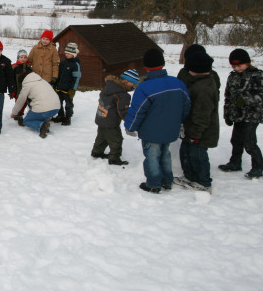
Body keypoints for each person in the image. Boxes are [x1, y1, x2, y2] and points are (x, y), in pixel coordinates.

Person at [124, 48, 191, 194]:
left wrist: (130, 126)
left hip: (151, 132)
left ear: (146, 67)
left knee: (152, 157)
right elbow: (186, 105)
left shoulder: (144, 88)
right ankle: (167, 181)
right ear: (163, 63)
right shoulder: (177, 83)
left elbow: (137, 110)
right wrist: (180, 122)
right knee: (165, 155)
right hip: (170, 129)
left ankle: (153, 183)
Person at [219, 48, 263, 179]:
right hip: (237, 114)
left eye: (239, 65)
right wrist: (227, 114)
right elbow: (228, 96)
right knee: (236, 140)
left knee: (249, 142)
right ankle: (235, 163)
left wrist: (246, 100)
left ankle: (259, 167)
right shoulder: (233, 76)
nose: (237, 68)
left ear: (247, 63)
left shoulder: (258, 75)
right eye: (234, 66)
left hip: (253, 115)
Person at [174, 50, 219, 193]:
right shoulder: (197, 82)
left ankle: (204, 182)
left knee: (198, 156)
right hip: (190, 128)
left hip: (200, 132)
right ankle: (189, 176)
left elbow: (202, 115)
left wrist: (196, 134)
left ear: (196, 70)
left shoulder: (205, 88)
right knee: (186, 152)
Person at [91, 69, 139, 166]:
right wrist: (129, 122)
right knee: (117, 139)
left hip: (101, 117)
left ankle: (97, 152)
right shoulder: (123, 95)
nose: (133, 87)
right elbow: (123, 111)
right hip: (111, 122)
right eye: (133, 84)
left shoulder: (109, 86)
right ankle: (114, 158)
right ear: (127, 81)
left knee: (102, 137)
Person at [13, 69, 60, 138]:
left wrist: (14, 113)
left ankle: (41, 125)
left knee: (26, 121)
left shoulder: (27, 84)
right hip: (56, 108)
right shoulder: (42, 81)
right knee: (39, 107)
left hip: (44, 109)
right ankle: (44, 121)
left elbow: (21, 100)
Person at [52, 42, 82, 126]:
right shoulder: (62, 63)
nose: (67, 55)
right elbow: (58, 75)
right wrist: (55, 84)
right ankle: (60, 115)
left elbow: (76, 78)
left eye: (69, 54)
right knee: (58, 103)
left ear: (74, 54)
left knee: (68, 104)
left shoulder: (76, 65)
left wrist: (73, 89)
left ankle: (68, 117)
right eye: (66, 53)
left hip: (68, 89)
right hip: (59, 88)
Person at [10, 49, 31, 122]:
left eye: (25, 57)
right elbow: (11, 79)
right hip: (17, 88)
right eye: (21, 57)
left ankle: (21, 113)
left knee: (25, 102)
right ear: (18, 58)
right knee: (18, 101)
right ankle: (18, 114)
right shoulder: (14, 67)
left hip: (26, 88)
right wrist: (12, 90)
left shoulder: (29, 68)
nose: (23, 59)